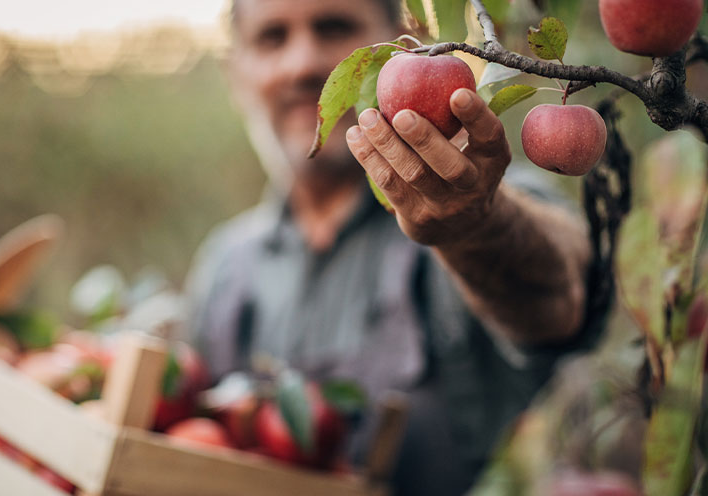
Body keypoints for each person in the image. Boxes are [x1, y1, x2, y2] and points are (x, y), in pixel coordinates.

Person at [184, 0, 595, 494]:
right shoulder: (225, 266)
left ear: (407, 40)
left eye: (333, 27)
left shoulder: (478, 193)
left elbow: (559, 297)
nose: (302, 64)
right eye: (272, 38)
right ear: (236, 74)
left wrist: (477, 227)